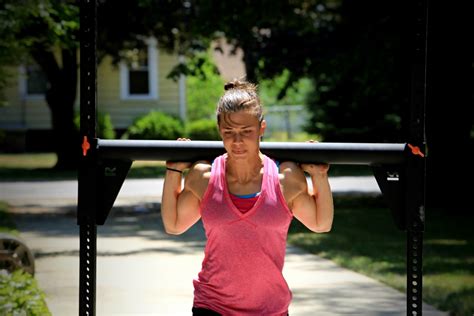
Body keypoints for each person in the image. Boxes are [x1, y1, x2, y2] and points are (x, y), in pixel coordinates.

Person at [161, 79, 334, 316]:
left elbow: (321, 224)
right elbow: (173, 225)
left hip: (270, 309)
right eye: (229, 132)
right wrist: (173, 170)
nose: (237, 141)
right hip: (213, 305)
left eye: (246, 131)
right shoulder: (204, 177)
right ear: (219, 129)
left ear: (262, 128)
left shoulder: (286, 178)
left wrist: (320, 177)